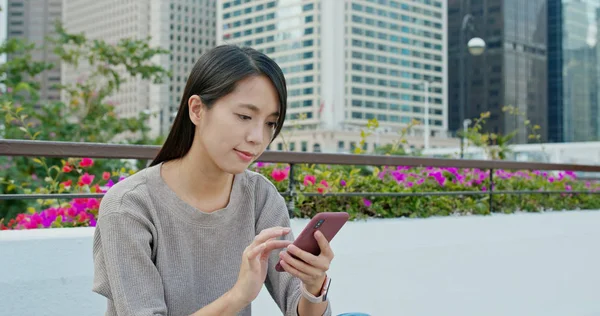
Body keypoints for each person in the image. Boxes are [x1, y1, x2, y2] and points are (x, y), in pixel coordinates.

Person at [92, 45, 335, 316]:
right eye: (244, 116)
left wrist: (313, 288)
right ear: (197, 110)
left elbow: (298, 308)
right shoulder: (130, 206)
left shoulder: (260, 197)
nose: (258, 137)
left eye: (270, 123)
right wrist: (238, 296)